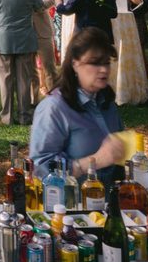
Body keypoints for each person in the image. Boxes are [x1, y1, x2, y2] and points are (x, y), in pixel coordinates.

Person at [29, 26, 125, 190]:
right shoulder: (54, 108)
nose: (104, 69)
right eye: (94, 63)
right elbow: (41, 169)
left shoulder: (106, 103)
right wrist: (94, 161)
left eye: (106, 62)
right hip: (70, 209)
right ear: (75, 64)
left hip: (108, 205)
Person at [18, 0, 59, 102]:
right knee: (28, 68)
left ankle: (56, 100)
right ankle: (32, 101)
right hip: (22, 28)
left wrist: (40, 5)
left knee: (49, 66)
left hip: (41, 26)